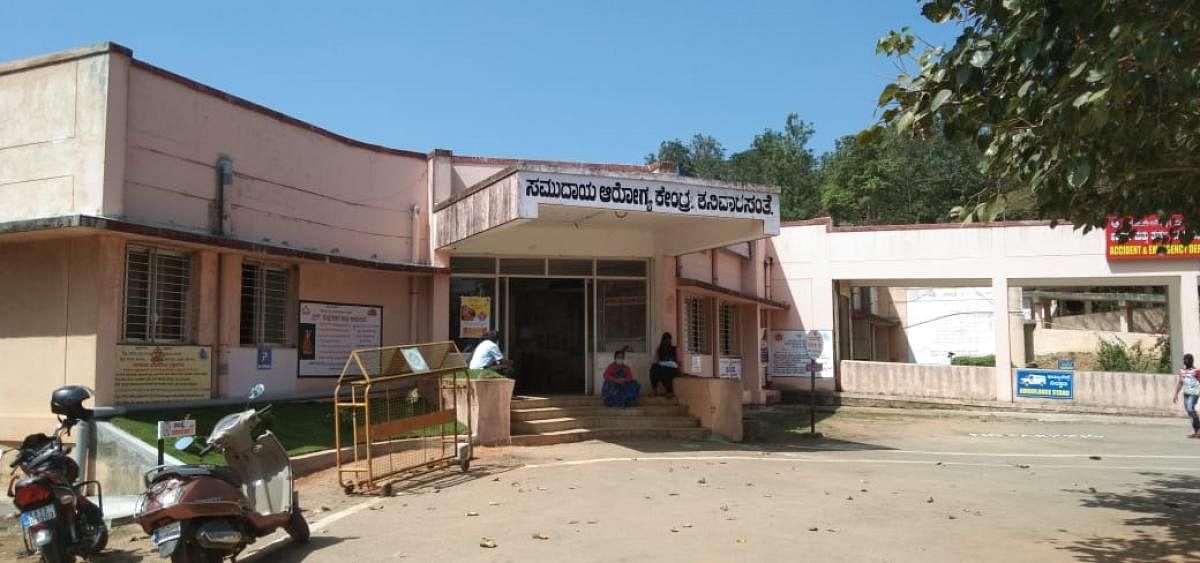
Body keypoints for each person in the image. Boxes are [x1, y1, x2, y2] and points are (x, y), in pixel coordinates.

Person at [1173, 353, 1200, 437]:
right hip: (1186, 394)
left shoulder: (1196, 371)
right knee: (1189, 412)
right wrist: (1176, 394)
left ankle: (1199, 430)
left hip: (1194, 393)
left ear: (1191, 361)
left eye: (1187, 359)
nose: (1185, 361)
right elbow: (1180, 383)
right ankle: (1196, 432)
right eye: (1184, 359)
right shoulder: (1182, 371)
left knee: (1190, 409)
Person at [650, 332, 680, 397]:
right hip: (662, 367)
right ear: (663, 340)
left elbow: (678, 361)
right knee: (653, 368)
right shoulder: (659, 349)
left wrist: (674, 363)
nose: (668, 341)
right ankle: (654, 389)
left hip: (672, 368)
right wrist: (661, 363)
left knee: (670, 372)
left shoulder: (674, 349)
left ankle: (669, 391)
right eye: (666, 339)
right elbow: (657, 360)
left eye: (669, 339)